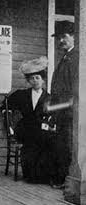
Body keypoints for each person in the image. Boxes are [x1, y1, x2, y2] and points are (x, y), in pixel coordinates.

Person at [1, 56, 55, 184]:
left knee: (46, 140)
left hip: (41, 128)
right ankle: (30, 174)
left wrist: (50, 123)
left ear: (42, 80)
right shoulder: (22, 94)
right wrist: (8, 120)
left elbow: (54, 115)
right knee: (31, 141)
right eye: (32, 78)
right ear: (28, 81)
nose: (35, 81)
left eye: (37, 78)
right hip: (25, 128)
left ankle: (42, 175)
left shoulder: (49, 97)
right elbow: (6, 104)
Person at [49, 20, 77, 188]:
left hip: (70, 112)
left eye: (64, 37)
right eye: (58, 37)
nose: (61, 40)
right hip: (61, 110)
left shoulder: (76, 58)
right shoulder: (65, 58)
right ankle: (62, 179)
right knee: (61, 145)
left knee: (68, 146)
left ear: (74, 37)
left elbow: (76, 87)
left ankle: (68, 180)